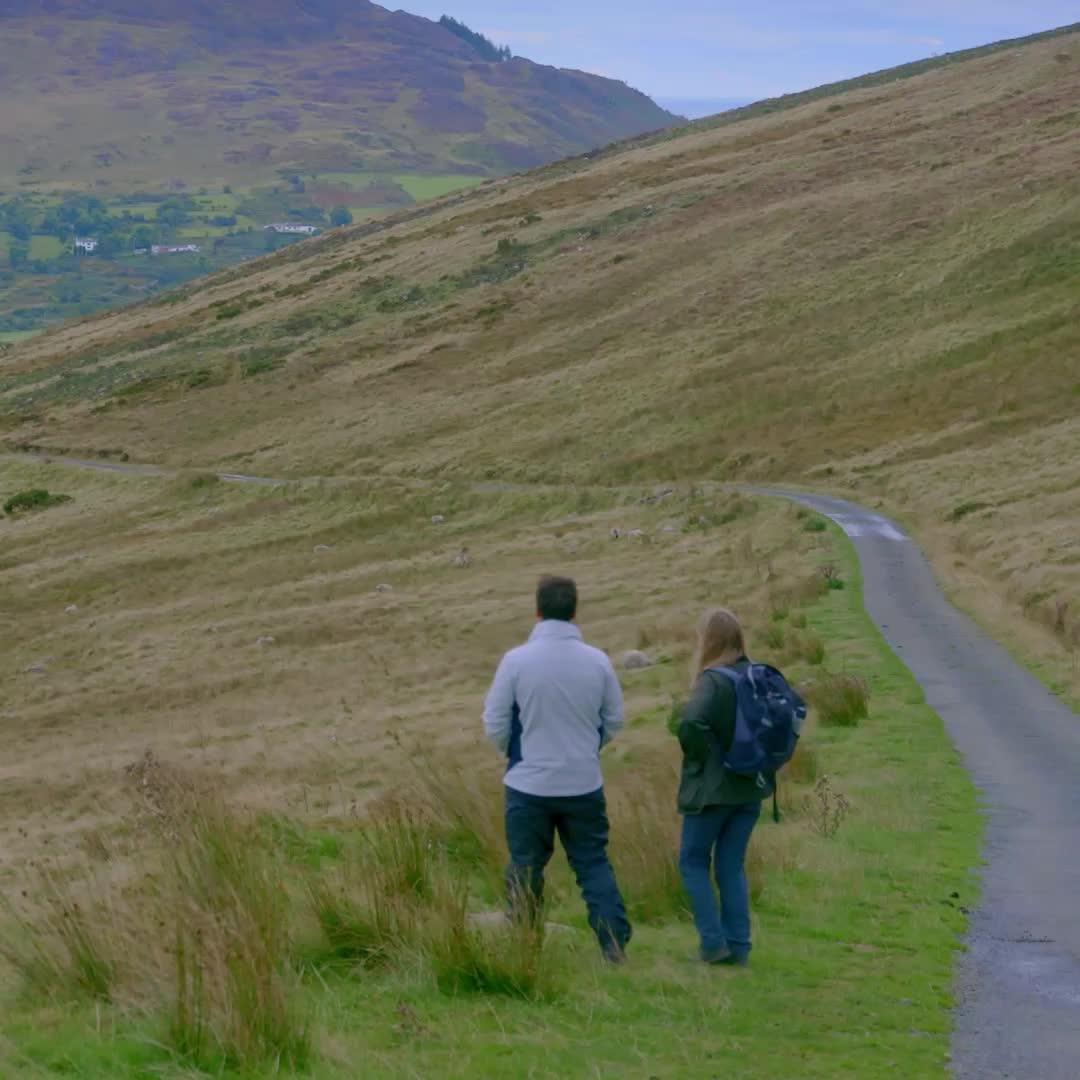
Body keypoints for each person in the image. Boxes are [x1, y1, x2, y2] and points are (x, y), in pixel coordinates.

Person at [482, 575, 632, 963]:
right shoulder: (597, 661)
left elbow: (495, 722)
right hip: (582, 782)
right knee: (592, 862)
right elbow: (613, 719)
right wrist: (588, 748)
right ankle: (612, 944)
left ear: (536, 610)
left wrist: (514, 755)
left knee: (526, 866)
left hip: (528, 783)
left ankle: (525, 945)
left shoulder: (516, 662)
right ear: (575, 610)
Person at [676, 608, 769, 966]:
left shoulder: (712, 680)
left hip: (713, 791)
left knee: (692, 861)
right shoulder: (754, 673)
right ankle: (739, 946)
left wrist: (704, 758)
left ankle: (713, 944)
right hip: (749, 790)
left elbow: (690, 724)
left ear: (708, 640)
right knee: (731, 865)